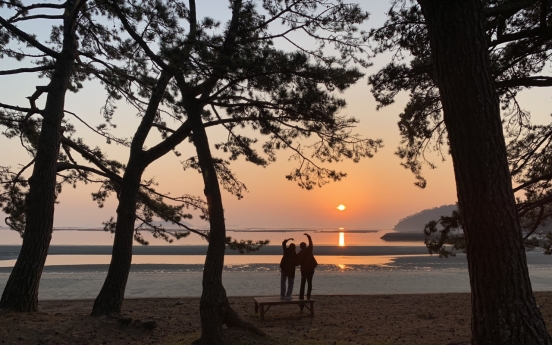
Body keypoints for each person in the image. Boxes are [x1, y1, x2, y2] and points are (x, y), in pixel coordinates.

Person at [296, 233, 317, 300]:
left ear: (301, 247)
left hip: (304, 270)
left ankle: (301, 295)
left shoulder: (300, 253)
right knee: (309, 282)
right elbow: (311, 244)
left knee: (303, 282)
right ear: (305, 246)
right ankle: (308, 295)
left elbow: (298, 262)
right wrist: (309, 237)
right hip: (310, 269)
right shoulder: (309, 250)